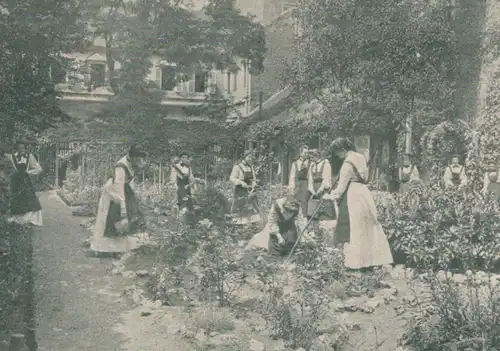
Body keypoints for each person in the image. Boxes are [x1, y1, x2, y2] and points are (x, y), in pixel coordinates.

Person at [324, 137, 393, 270]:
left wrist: (330, 196)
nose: (338, 156)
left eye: (338, 153)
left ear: (343, 150)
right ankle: (373, 259)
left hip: (353, 194)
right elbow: (365, 177)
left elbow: (341, 188)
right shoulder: (361, 157)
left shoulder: (347, 165)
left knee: (355, 227)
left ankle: (356, 263)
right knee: (369, 225)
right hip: (364, 192)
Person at [90, 145, 147, 255]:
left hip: (125, 189)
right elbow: (118, 186)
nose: (140, 161)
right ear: (133, 157)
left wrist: (132, 197)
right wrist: (123, 207)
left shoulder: (132, 163)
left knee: (135, 213)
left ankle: (128, 245)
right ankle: (106, 248)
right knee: (113, 216)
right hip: (113, 192)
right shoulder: (121, 166)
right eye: (139, 158)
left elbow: (129, 182)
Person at [246, 196, 312, 256]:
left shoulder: (297, 207)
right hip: (277, 224)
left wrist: (305, 236)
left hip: (289, 225)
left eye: (290, 213)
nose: (287, 215)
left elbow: (301, 223)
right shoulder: (276, 206)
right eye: (285, 212)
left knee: (291, 242)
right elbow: (272, 222)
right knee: (275, 246)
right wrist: (279, 237)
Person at [7, 140, 43, 226]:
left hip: (25, 182)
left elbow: (39, 168)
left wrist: (29, 172)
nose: (21, 150)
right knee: (16, 200)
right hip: (15, 182)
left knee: (30, 199)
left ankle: (31, 219)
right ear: (16, 149)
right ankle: (17, 219)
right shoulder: (11, 157)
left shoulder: (29, 156)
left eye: (23, 148)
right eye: (19, 148)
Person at [229, 150, 262, 224]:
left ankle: (251, 224)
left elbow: (253, 178)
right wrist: (241, 182)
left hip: (250, 189)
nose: (251, 158)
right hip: (240, 190)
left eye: (252, 157)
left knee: (253, 206)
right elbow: (232, 178)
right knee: (240, 207)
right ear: (244, 157)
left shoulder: (251, 167)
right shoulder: (237, 167)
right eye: (249, 157)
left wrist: (254, 183)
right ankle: (239, 224)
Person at [307, 149, 336, 224]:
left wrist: (320, 190)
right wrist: (312, 191)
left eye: (312, 157)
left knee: (324, 210)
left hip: (323, 190)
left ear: (317, 156)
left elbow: (326, 179)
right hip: (314, 190)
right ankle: (315, 227)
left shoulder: (326, 164)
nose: (311, 159)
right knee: (313, 211)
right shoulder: (312, 166)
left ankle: (324, 226)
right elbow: (310, 179)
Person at [288, 144, 310, 216]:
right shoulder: (295, 164)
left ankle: (304, 218)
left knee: (305, 202)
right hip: (297, 186)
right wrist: (291, 188)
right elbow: (292, 176)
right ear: (300, 153)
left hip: (306, 186)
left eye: (308, 153)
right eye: (305, 152)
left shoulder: (310, 163)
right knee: (296, 202)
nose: (307, 154)